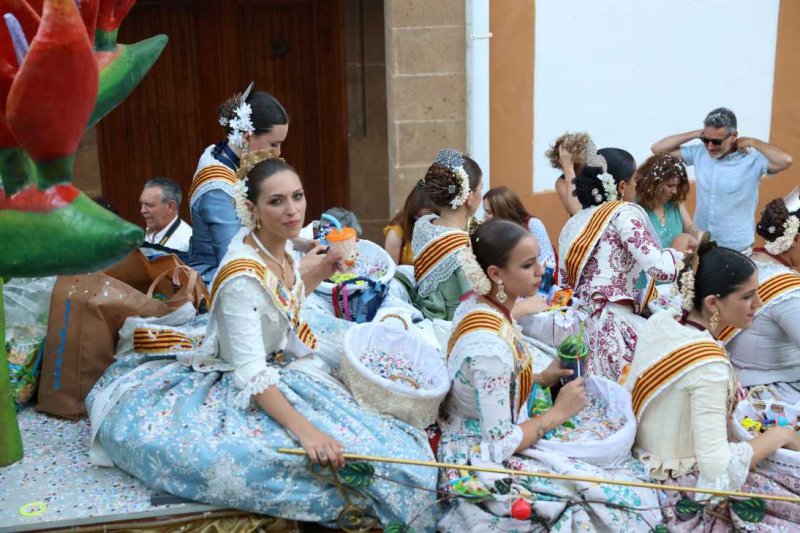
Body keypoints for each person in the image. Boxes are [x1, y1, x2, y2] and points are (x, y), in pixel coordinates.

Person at [86, 149, 437, 529]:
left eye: (297, 196)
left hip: (280, 363)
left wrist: (324, 268)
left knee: (390, 442)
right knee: (350, 458)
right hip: (243, 381)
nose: (292, 210)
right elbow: (251, 373)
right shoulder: (241, 275)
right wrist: (307, 433)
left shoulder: (276, 245)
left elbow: (286, 301)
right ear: (252, 209)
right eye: (276, 201)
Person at [438, 219, 662, 532]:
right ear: (495, 274)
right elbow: (499, 444)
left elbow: (489, 386)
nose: (540, 271)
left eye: (537, 261)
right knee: (616, 497)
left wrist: (543, 377)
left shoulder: (479, 305)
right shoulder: (488, 348)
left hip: (494, 425)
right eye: (528, 265)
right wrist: (558, 413)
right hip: (477, 450)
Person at [625, 241, 800, 530]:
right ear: (712, 303)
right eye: (747, 296)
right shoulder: (709, 368)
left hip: (644, 455)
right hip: (680, 483)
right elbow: (718, 472)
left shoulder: (664, 321)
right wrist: (779, 436)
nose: (758, 304)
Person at [557, 149, 681, 380]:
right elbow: (661, 269)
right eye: (634, 181)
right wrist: (679, 255)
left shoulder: (572, 224)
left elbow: (564, 281)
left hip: (578, 329)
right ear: (622, 186)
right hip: (615, 328)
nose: (636, 187)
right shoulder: (623, 214)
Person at [651, 107, 793, 252]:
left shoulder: (751, 159)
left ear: (734, 135)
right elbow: (657, 149)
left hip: (736, 246)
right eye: (706, 140)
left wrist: (753, 141)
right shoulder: (700, 152)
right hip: (701, 242)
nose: (710, 146)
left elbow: (785, 160)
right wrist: (697, 134)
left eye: (716, 141)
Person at [188, 86, 290, 284]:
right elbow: (233, 261)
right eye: (274, 144)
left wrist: (300, 244)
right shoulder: (217, 188)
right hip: (219, 280)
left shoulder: (232, 157)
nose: (278, 153)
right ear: (247, 136)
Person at [725, 191, 800, 403]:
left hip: (738, 375)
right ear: (795, 239)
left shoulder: (748, 259)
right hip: (774, 389)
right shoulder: (788, 293)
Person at [406, 148, 483, 321]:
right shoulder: (462, 247)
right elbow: (477, 309)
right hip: (451, 326)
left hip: (426, 319)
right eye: (481, 188)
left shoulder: (423, 225)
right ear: (469, 197)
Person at [635, 153, 700, 250]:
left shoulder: (674, 201)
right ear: (653, 184)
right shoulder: (635, 207)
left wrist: (704, 239)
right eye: (670, 185)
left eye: (677, 186)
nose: (675, 191)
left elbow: (689, 227)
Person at [483, 186, 554, 264]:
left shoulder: (533, 224)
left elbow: (548, 260)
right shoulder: (493, 232)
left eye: (489, 212)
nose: (484, 216)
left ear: (503, 211)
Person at [384, 181, 437, 265]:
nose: (423, 221)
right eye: (419, 216)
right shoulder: (397, 233)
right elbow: (392, 268)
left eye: (428, 216)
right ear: (411, 213)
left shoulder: (440, 227)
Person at [139, 177, 193, 253]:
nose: (142, 210)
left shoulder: (185, 243)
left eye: (149, 205)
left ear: (170, 207)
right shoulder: (149, 231)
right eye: (142, 204)